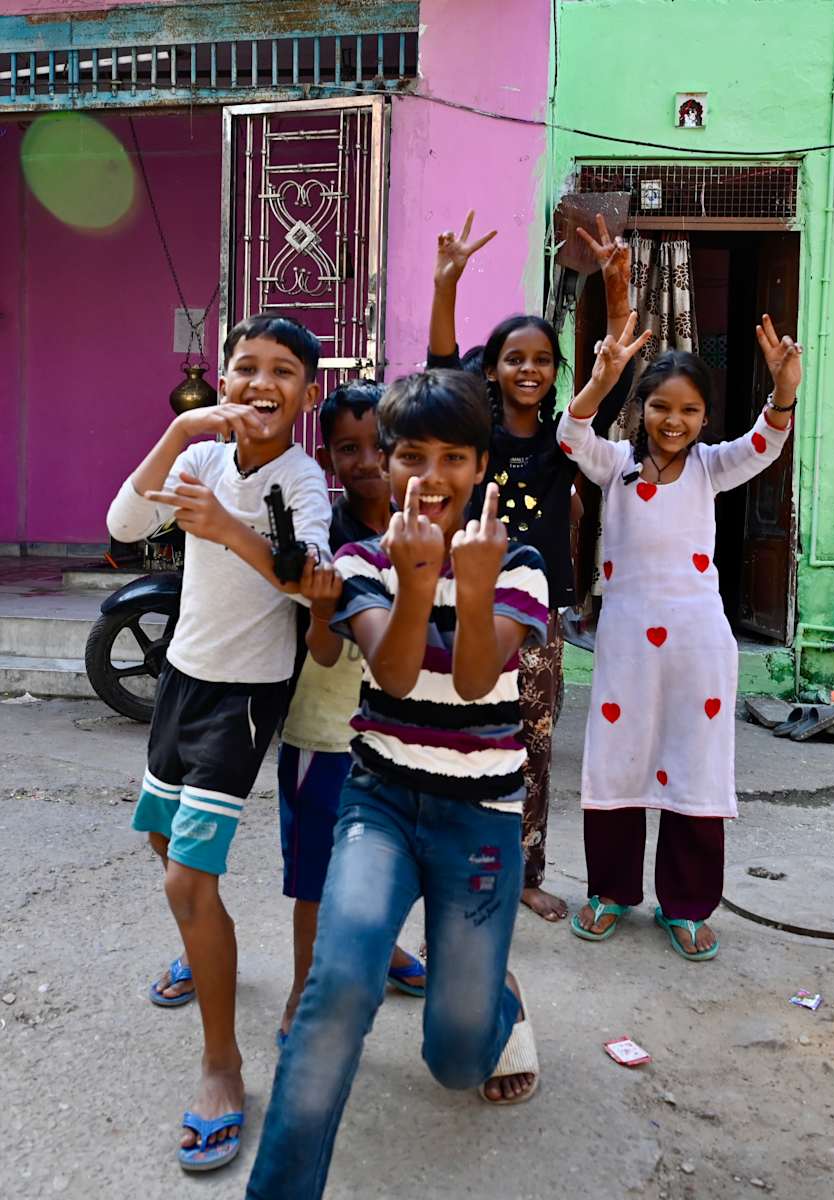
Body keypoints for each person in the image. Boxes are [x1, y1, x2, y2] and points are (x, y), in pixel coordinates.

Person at [246, 369, 549, 1199]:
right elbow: (396, 671)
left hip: (479, 817)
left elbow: (480, 674)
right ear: (387, 461)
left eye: (455, 457)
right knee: (337, 988)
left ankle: (498, 1004)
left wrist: (471, 587)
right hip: (379, 803)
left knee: (456, 1058)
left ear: (481, 466)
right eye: (413, 455)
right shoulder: (359, 561)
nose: (433, 476)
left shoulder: (519, 564)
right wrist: (417, 581)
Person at [106, 313, 332, 1172]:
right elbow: (124, 525)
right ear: (223, 379)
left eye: (282, 371)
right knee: (164, 845)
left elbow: (308, 581)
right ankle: (205, 952)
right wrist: (178, 433)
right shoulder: (199, 457)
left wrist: (229, 530)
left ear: (306, 393)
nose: (260, 383)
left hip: (244, 695)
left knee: (186, 875)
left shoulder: (303, 480)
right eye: (246, 367)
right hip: (183, 676)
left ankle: (222, 1065)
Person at [558, 313, 802, 957]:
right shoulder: (616, 465)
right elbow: (571, 436)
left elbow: (765, 443)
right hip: (627, 647)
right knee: (618, 761)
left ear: (704, 417)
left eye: (689, 410)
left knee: (695, 764)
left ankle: (688, 905)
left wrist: (783, 391)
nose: (674, 421)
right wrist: (600, 380)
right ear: (640, 409)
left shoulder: (710, 467)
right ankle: (610, 892)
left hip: (698, 647)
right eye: (661, 407)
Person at [427, 211, 634, 922]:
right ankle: (454, 866)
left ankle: (524, 872)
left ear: (555, 373)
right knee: (456, 740)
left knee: (533, 746)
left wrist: (617, 284)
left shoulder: (566, 438)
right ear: (491, 368)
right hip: (463, 604)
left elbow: (614, 368)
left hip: (537, 617)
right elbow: (440, 364)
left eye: (543, 360)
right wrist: (446, 283)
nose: (529, 369)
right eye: (514, 358)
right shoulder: (471, 431)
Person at [276, 379, 425, 1046]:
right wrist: (319, 609)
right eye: (348, 448)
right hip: (326, 734)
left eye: (380, 445)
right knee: (317, 876)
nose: (367, 462)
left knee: (388, 864)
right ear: (327, 456)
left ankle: (384, 950)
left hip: (400, 737)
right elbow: (326, 652)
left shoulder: (420, 529)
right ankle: (303, 991)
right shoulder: (322, 540)